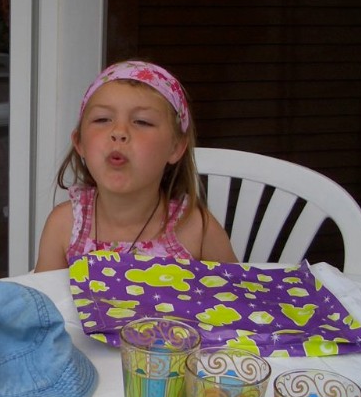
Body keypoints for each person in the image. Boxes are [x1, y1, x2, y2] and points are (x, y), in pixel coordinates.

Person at [35, 60, 236, 272]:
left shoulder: (196, 229)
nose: (119, 132)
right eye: (102, 119)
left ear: (175, 147)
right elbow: (40, 294)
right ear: (80, 142)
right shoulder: (64, 225)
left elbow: (240, 291)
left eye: (142, 121)